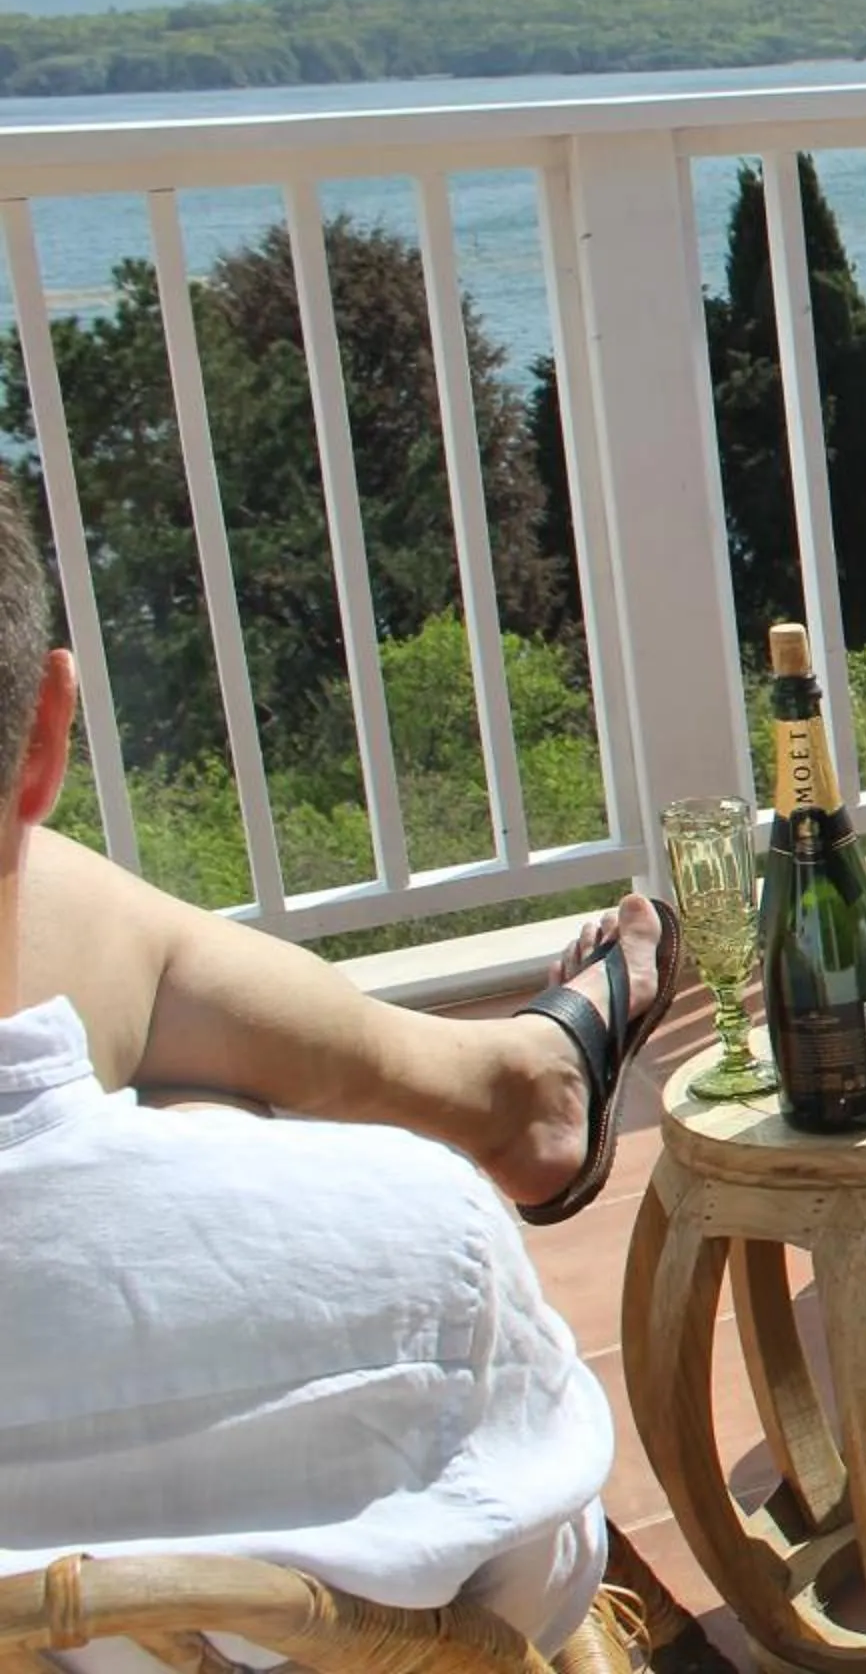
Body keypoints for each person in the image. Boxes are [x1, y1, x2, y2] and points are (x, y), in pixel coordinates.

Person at [0, 468, 681, 1659]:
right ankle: (517, 1086)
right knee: (164, 1042)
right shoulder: (416, 1248)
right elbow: (535, 1591)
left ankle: (516, 1082)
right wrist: (213, 1141)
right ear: (51, 735)